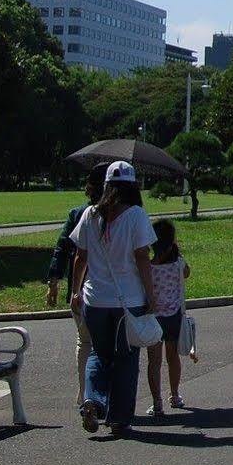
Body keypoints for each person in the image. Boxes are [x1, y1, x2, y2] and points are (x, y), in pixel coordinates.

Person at [68, 160, 156, 436]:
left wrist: (75, 290)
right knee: (126, 358)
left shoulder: (90, 214)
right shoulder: (136, 215)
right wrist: (151, 294)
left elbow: (80, 257)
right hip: (127, 301)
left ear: (106, 185)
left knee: (99, 353)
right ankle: (119, 418)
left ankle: (92, 400)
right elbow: (142, 257)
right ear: (133, 187)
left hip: (95, 299)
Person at [46, 170, 105, 404]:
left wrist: (54, 281)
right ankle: (101, 395)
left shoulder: (77, 214)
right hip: (108, 292)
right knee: (107, 346)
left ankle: (84, 393)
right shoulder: (120, 215)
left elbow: (62, 249)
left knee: (84, 343)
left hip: (80, 288)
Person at [145, 220, 190, 417]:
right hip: (174, 317)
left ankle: (157, 402)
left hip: (153, 318)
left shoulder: (148, 267)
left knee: (154, 362)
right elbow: (187, 272)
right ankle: (175, 394)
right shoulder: (179, 264)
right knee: (172, 358)